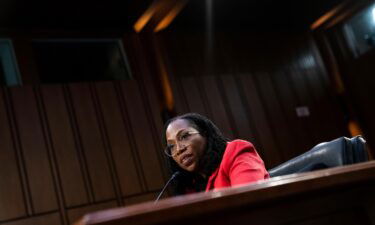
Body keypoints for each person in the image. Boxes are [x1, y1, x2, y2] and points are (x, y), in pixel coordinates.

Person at [163, 113, 269, 195]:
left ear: (205, 134)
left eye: (185, 136)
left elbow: (248, 199)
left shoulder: (235, 151)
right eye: (171, 146)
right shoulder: (191, 185)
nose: (178, 149)